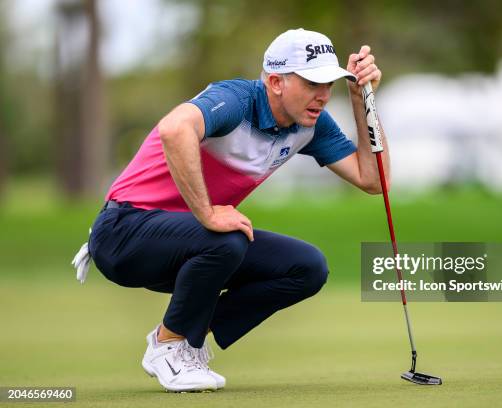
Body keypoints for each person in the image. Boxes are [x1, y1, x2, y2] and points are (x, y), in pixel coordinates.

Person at [72, 28, 389, 392]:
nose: (322, 95)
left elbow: (373, 179)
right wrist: (207, 214)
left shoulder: (310, 126)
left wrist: (360, 99)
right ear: (276, 81)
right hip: (123, 232)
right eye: (312, 82)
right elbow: (175, 129)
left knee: (306, 267)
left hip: (187, 245)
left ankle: (185, 340)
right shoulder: (235, 100)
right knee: (227, 238)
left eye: (329, 84)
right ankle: (169, 346)